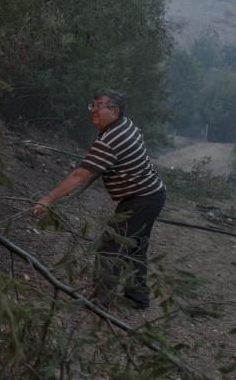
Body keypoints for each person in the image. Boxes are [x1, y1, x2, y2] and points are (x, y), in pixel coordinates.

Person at [31, 90, 166, 309]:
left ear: (115, 111)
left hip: (141, 198)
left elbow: (79, 175)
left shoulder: (111, 138)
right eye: (92, 105)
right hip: (152, 194)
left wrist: (47, 199)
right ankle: (137, 297)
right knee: (134, 247)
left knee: (110, 246)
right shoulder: (125, 125)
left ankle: (100, 303)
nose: (93, 110)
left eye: (99, 106)